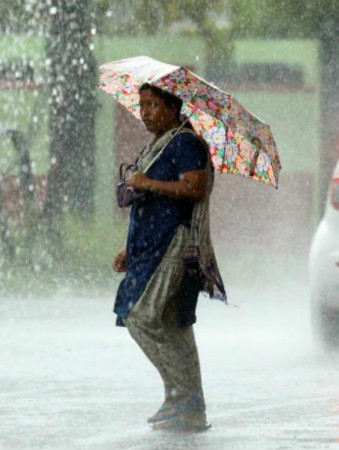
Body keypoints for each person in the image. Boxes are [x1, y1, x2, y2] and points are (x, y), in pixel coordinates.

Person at [112, 83, 225, 431]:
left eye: (152, 105)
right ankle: (184, 402)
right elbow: (148, 201)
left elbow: (195, 187)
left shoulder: (185, 143)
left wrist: (147, 183)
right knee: (173, 323)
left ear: (173, 109)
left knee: (140, 315)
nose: (145, 112)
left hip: (172, 247)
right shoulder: (160, 145)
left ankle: (184, 397)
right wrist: (130, 250)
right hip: (150, 247)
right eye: (142, 105)